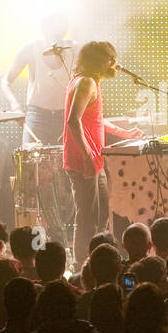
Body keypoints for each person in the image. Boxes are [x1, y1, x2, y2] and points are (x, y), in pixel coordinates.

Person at [61, 41, 142, 266]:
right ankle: (80, 266)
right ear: (98, 61)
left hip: (94, 159)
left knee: (103, 214)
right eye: (109, 59)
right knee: (86, 217)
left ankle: (98, 261)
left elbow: (94, 119)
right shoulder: (86, 82)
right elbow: (73, 121)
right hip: (84, 160)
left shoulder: (89, 82)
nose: (114, 63)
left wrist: (123, 132)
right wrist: (87, 156)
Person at [0, 12, 74, 146]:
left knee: (64, 165)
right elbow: (6, 81)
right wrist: (15, 106)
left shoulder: (74, 49)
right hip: (37, 115)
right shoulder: (30, 48)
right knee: (32, 162)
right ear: (44, 28)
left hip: (66, 116)